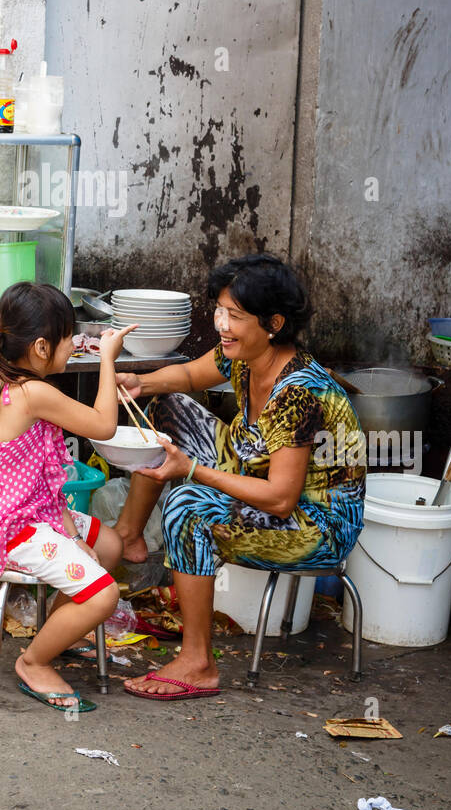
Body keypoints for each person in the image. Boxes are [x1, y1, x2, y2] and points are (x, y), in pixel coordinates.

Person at [114, 254, 366, 701]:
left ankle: (199, 663)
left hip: (312, 522)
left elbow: (281, 499)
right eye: (220, 311)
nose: (222, 325)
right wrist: (140, 383)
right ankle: (129, 536)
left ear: (274, 323)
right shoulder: (246, 355)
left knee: (187, 508)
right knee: (165, 410)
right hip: (255, 465)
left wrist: (192, 471)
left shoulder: (299, 393)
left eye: (235, 316)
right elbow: (191, 373)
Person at [0, 281, 135, 714]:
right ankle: (34, 661)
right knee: (104, 595)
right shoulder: (31, 392)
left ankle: (59, 633)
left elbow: (44, 480)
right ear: (40, 347)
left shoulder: (10, 379)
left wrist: (71, 531)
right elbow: (103, 426)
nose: (76, 344)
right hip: (8, 527)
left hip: (27, 508)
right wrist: (108, 360)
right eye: (69, 338)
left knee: (109, 545)